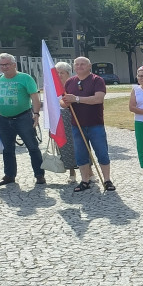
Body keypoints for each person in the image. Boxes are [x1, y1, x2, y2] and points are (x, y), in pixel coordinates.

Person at [0, 53, 45, 187]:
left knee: (32, 147)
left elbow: (35, 97)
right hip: (3, 119)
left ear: (14, 64)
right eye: (2, 65)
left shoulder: (25, 78)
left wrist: (36, 114)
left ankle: (39, 174)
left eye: (7, 64)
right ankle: (9, 175)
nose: (4, 67)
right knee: (7, 149)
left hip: (23, 117)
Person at [61, 56, 114, 192]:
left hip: (95, 124)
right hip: (77, 125)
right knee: (81, 154)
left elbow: (98, 99)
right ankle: (85, 181)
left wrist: (76, 99)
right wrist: (66, 102)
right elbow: (63, 102)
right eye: (76, 64)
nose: (79, 66)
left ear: (89, 66)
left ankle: (107, 180)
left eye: (82, 64)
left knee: (102, 153)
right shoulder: (70, 82)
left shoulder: (97, 80)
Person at [53, 62, 78, 184]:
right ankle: (72, 172)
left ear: (68, 73)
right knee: (65, 146)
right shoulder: (53, 88)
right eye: (57, 73)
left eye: (62, 73)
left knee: (81, 144)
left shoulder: (74, 84)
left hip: (75, 116)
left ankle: (89, 171)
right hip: (60, 118)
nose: (59, 75)